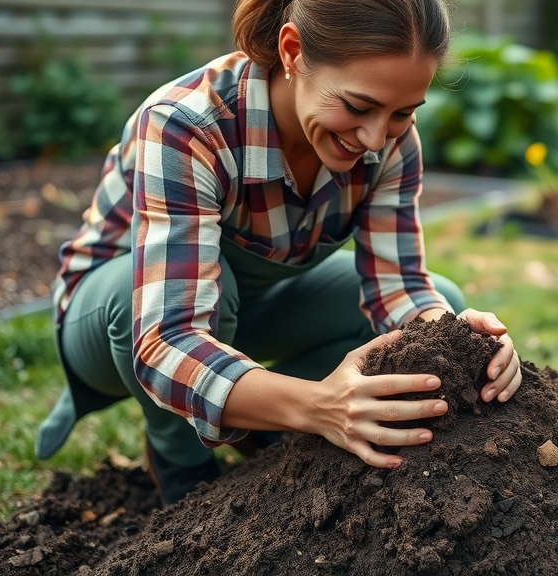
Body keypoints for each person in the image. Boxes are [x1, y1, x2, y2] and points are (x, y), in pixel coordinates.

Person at [35, 0, 522, 506]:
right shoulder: (188, 124)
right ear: (292, 52)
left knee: (440, 298)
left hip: (251, 304)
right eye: (357, 106)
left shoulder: (392, 144)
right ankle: (180, 458)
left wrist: (465, 349)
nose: (375, 137)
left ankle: (262, 427)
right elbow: (165, 341)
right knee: (208, 288)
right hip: (119, 321)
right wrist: (320, 405)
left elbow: (399, 286)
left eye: (402, 113)